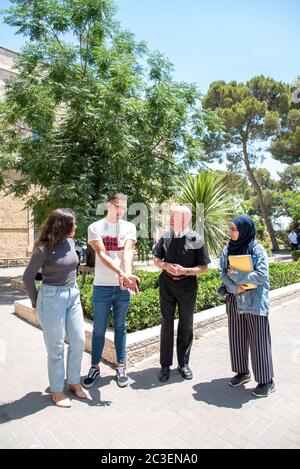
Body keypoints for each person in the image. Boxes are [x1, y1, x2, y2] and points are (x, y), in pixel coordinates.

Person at [23, 209, 87, 408]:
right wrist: (36, 302)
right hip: (51, 298)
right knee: (56, 347)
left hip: (72, 295)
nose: (76, 227)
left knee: (78, 339)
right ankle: (57, 390)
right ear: (63, 227)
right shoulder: (44, 249)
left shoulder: (71, 242)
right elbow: (27, 278)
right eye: (73, 224)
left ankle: (74, 381)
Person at [83, 193, 139, 389]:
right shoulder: (95, 227)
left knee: (120, 327)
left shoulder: (129, 227)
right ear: (108, 205)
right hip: (102, 286)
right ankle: (94, 367)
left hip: (122, 287)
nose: (119, 211)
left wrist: (128, 276)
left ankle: (121, 366)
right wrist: (123, 274)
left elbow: (128, 252)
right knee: (98, 329)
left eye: (123, 207)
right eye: (116, 206)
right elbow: (102, 254)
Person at [153, 206, 211, 383]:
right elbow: (156, 259)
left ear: (185, 218)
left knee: (186, 325)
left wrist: (185, 271)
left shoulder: (196, 238)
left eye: (173, 215)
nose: (170, 218)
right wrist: (165, 266)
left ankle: (183, 364)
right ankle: (164, 366)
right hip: (167, 286)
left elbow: (204, 267)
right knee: (167, 324)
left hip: (187, 288)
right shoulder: (166, 236)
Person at [219, 215, 275, 398]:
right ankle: (242, 372)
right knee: (237, 338)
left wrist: (237, 276)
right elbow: (222, 273)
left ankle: (266, 381)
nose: (231, 232)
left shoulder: (257, 249)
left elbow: (262, 276)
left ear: (244, 230)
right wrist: (235, 287)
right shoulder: (228, 249)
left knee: (259, 342)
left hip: (254, 302)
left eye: (234, 229)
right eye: (230, 228)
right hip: (235, 299)